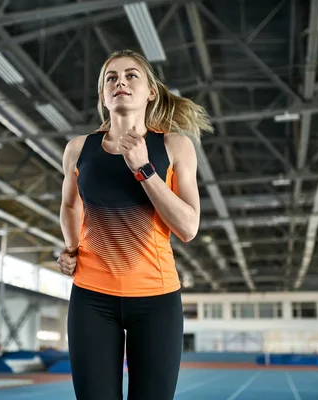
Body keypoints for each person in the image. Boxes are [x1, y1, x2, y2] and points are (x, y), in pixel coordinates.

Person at [57, 49, 213, 400]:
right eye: (110, 77)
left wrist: (144, 169)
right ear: (103, 94)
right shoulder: (78, 149)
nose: (120, 82)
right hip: (92, 298)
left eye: (131, 76)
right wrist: (70, 248)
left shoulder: (175, 146)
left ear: (150, 91)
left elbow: (188, 227)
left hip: (157, 300)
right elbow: (69, 204)